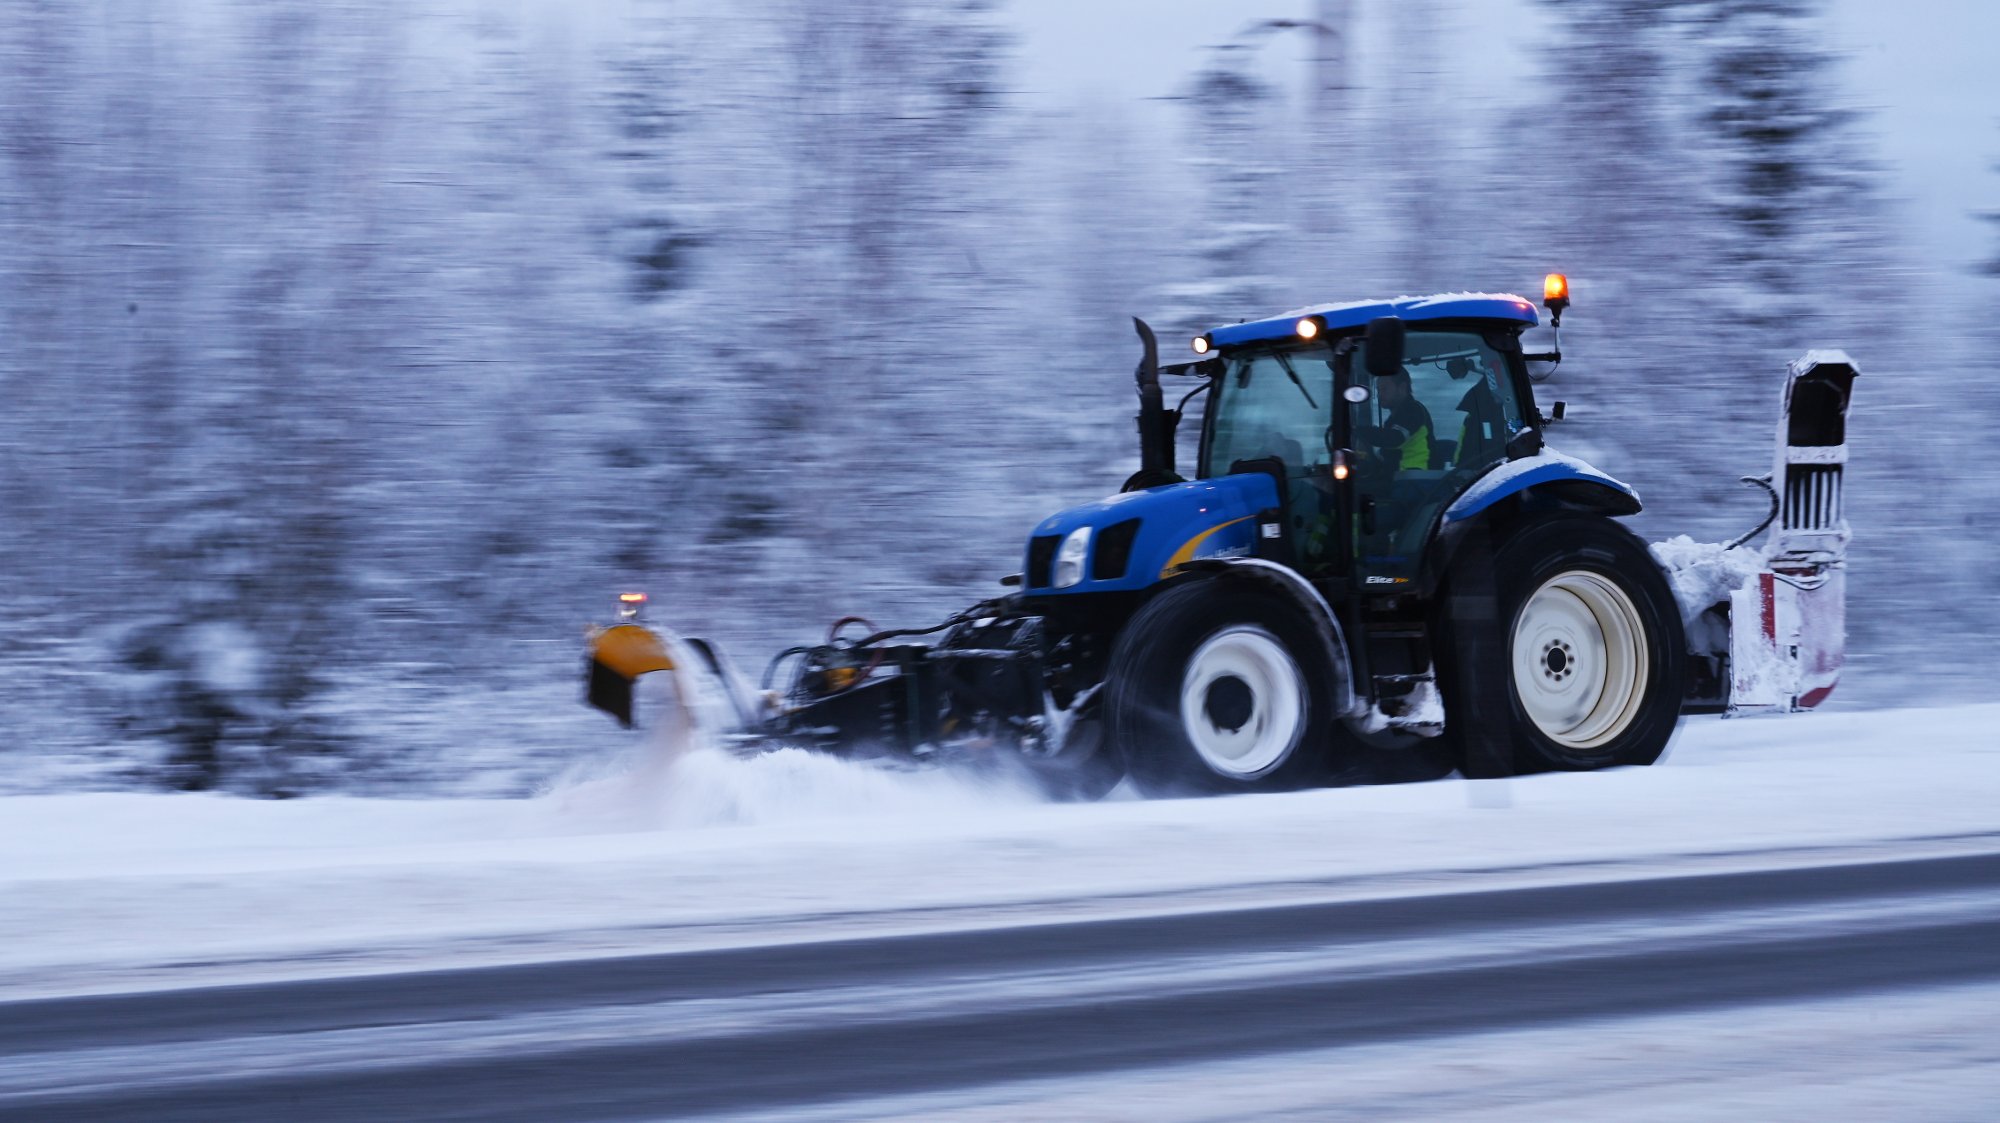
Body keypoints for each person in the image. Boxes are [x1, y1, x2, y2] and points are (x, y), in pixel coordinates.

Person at [1368, 370, 1434, 471]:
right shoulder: (1393, 420)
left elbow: (1395, 438)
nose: (1379, 395)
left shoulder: (1414, 410)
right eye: (1378, 390)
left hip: (1418, 479)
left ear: (1402, 388)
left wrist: (1357, 430)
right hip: (1402, 478)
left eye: (1384, 389)